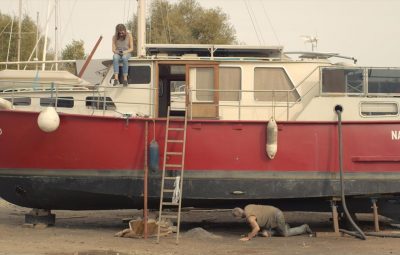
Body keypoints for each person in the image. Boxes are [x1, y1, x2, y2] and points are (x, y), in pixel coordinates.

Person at [232, 204, 312, 241]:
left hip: (276, 216)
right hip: (274, 212)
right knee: (264, 233)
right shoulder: (247, 207)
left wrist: (248, 237)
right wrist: (252, 233)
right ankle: (283, 226)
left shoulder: (250, 219)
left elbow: (256, 228)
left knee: (285, 234)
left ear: (239, 217)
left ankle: (304, 228)